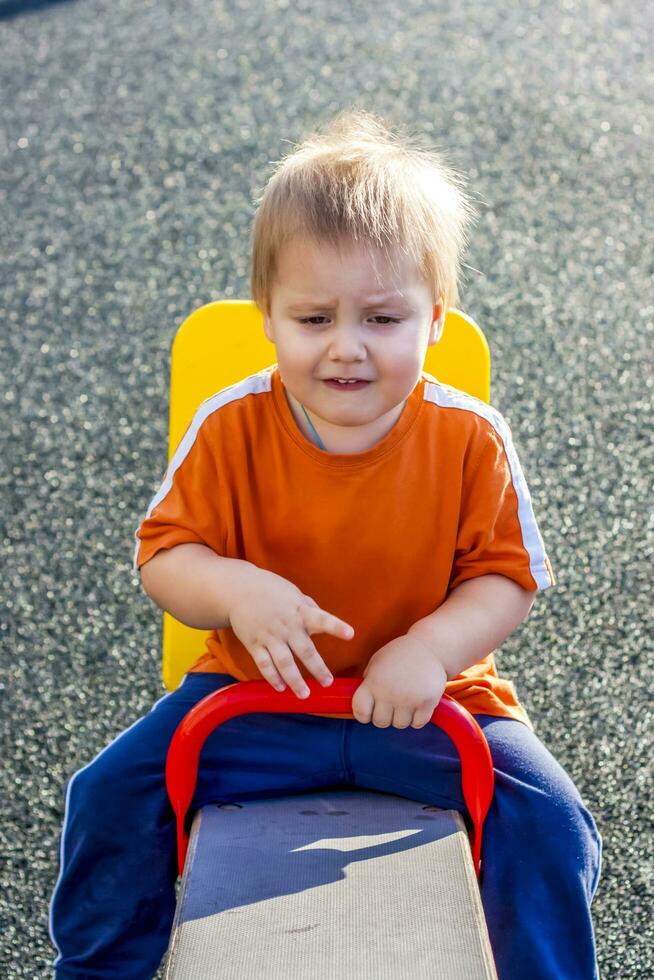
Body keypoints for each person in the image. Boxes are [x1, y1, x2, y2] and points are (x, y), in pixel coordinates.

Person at [49, 108, 601, 979]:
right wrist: (234, 590)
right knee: (110, 794)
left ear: (436, 320)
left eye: (383, 319)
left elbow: (505, 578)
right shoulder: (230, 426)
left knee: (548, 816)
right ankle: (99, 971)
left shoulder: (469, 437)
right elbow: (164, 555)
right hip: (254, 699)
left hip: (430, 706)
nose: (347, 348)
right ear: (268, 317)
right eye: (314, 319)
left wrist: (427, 650)